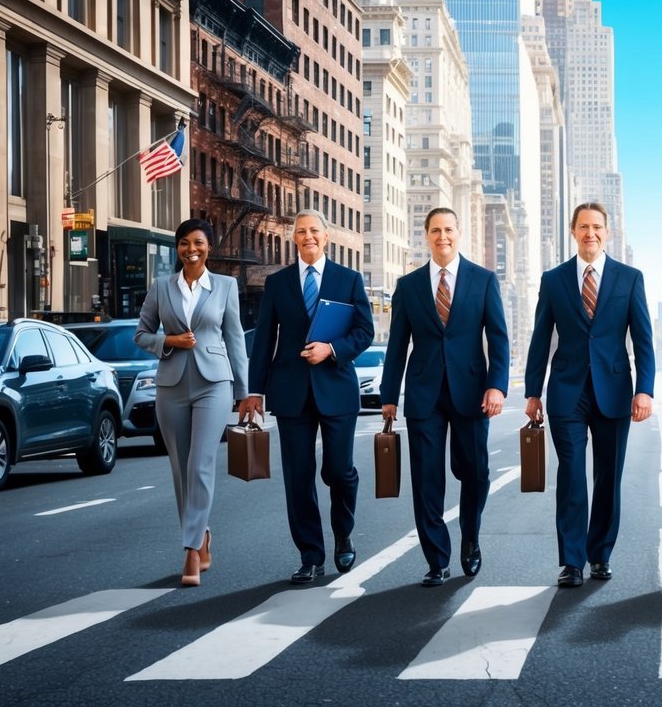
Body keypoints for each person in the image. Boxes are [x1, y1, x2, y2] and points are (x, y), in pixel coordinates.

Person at [238, 210, 375, 585]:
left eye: (314, 230)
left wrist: (331, 349)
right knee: (298, 477)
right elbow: (264, 339)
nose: (308, 236)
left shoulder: (348, 279)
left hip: (337, 388)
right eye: (301, 232)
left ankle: (343, 532)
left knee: (339, 471)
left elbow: (365, 331)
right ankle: (310, 556)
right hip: (291, 392)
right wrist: (255, 391)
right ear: (293, 238)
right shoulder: (278, 283)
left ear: (326, 237)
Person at [524, 202, 656, 588]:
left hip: (614, 390)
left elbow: (643, 340)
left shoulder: (629, 278)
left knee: (608, 478)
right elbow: (539, 339)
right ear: (573, 231)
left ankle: (600, 554)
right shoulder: (554, 280)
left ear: (607, 232)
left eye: (597, 227)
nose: (590, 233)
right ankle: (572, 560)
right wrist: (533, 392)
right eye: (583, 226)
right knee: (571, 475)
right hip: (566, 391)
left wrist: (645, 390)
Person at [380, 208, 510, 587]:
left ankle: (470, 537)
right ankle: (437, 559)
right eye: (435, 230)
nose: (443, 237)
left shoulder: (484, 280)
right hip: (424, 395)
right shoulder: (408, 286)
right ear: (426, 236)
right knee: (426, 479)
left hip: (471, 394)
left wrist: (497, 386)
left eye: (449, 230)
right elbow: (397, 344)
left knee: (476, 474)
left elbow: (499, 338)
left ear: (459, 233)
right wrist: (390, 395)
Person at [135, 218, 249, 588]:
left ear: (209, 247)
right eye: (184, 243)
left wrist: (245, 393)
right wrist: (169, 341)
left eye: (197, 242)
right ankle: (202, 535)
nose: (190, 249)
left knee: (201, 463)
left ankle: (190, 548)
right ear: (177, 248)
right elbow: (141, 334)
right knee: (180, 468)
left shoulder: (226, 286)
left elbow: (235, 341)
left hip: (214, 383)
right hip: (171, 384)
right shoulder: (160, 287)